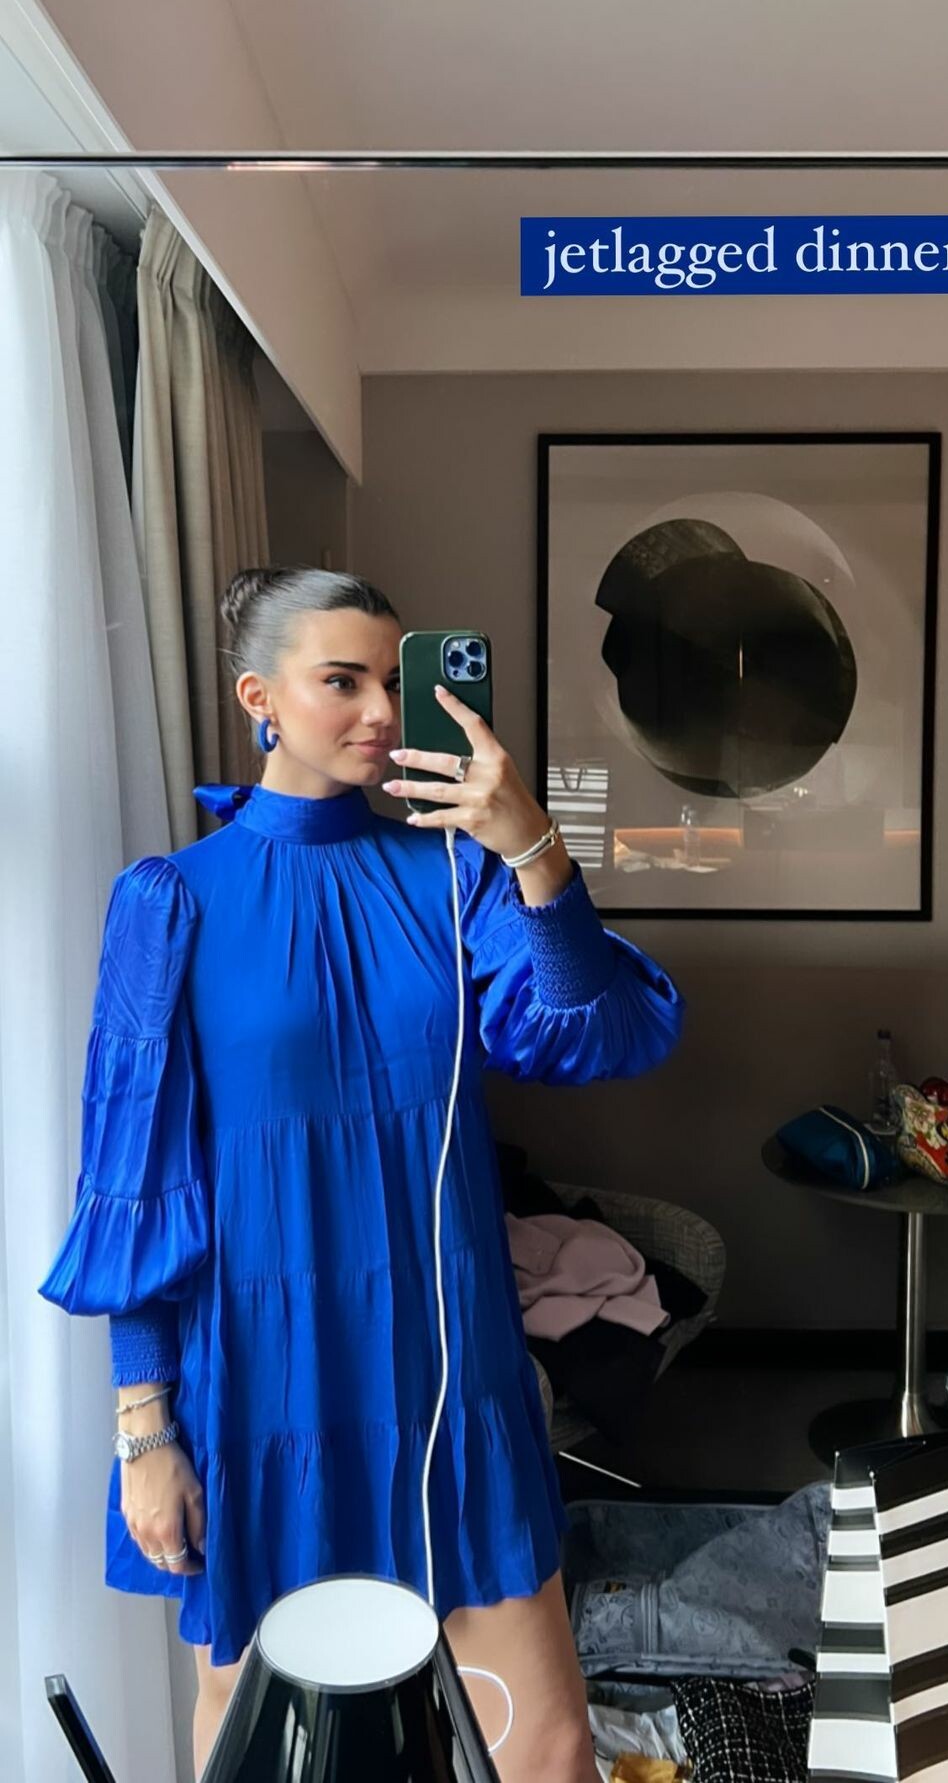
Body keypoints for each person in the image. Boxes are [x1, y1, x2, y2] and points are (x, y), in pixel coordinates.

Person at [38, 565, 686, 1782]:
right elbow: (135, 1180)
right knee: (265, 1740)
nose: (383, 710)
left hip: (449, 1361)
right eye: (342, 680)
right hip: (258, 1373)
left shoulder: (454, 874)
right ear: (260, 698)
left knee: (543, 1740)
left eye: (395, 678)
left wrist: (532, 845)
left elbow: (595, 1033)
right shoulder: (171, 901)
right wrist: (144, 1428)